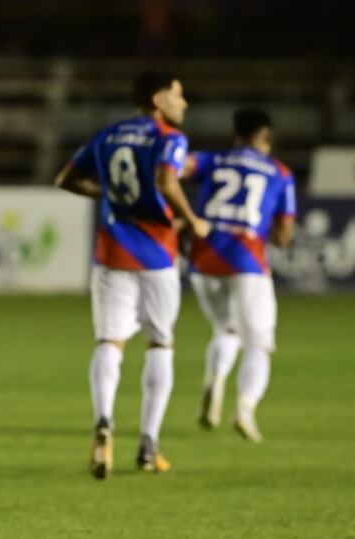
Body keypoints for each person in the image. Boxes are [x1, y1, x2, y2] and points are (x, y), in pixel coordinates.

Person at [55, 70, 210, 480]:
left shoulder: (107, 136)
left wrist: (108, 193)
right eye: (179, 94)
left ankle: (104, 420)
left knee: (110, 342)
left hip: (111, 252)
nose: (184, 103)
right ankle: (148, 444)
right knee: (161, 344)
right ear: (158, 99)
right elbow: (166, 179)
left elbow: (65, 179)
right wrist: (191, 219)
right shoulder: (169, 137)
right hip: (157, 253)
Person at [184, 107, 295, 442]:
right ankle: (244, 409)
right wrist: (272, 235)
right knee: (259, 343)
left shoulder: (211, 160)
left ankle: (214, 382)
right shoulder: (279, 172)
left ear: (236, 136)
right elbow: (285, 233)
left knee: (226, 328)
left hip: (203, 258)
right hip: (247, 260)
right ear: (266, 138)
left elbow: (174, 169)